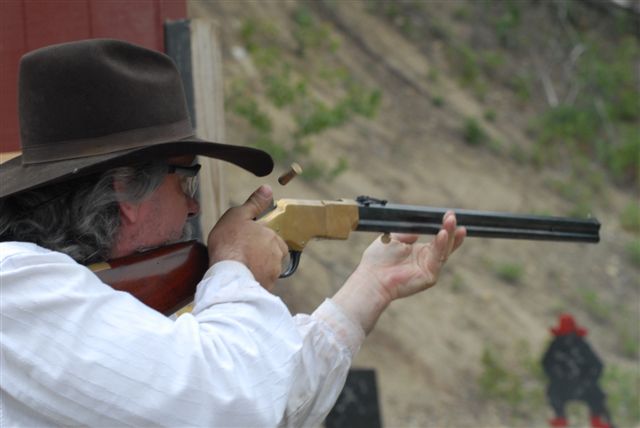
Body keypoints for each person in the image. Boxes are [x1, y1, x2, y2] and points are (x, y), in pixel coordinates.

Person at [0, 39, 466, 427]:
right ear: (125, 189)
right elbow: (231, 406)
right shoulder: (15, 287)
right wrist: (235, 269)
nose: (194, 205)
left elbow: (268, 396)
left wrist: (370, 289)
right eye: (185, 181)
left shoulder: (49, 299)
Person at [542, 314, 613, 428]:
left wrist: (589, 381)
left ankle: (598, 420)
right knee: (552, 391)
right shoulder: (555, 345)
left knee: (597, 395)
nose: (568, 338)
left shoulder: (582, 345)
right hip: (562, 385)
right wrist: (556, 375)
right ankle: (560, 417)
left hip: (584, 385)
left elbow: (598, 365)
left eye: (570, 334)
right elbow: (545, 363)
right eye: (565, 334)